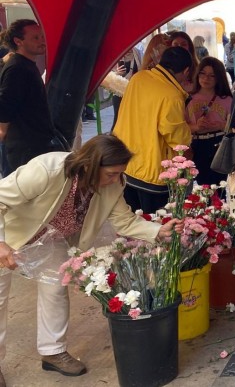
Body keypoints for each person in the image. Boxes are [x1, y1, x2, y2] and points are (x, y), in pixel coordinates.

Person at [0, 134, 182, 383]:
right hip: (9, 233)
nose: (116, 180)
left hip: (51, 238)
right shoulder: (47, 169)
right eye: (110, 174)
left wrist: (157, 231)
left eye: (119, 173)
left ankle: (53, 352)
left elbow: (124, 221)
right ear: (90, 165)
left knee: (55, 289)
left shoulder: (113, 184)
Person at [112, 46, 193, 213]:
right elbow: (178, 140)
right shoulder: (171, 95)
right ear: (186, 71)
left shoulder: (138, 78)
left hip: (126, 164)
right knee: (155, 228)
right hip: (153, 173)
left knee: (132, 226)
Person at [0, 19, 55, 172]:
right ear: (19, 41)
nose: (41, 41)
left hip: (33, 143)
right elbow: (5, 106)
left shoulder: (26, 64)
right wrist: (3, 131)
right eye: (35, 38)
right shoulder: (17, 68)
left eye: (42, 36)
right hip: (24, 147)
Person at [185, 57, 233, 186]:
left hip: (219, 144)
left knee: (219, 187)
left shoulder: (227, 99)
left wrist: (221, 125)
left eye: (212, 75)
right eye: (203, 73)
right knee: (201, 187)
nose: (206, 78)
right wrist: (196, 127)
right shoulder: (187, 98)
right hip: (197, 145)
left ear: (219, 78)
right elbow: (179, 126)